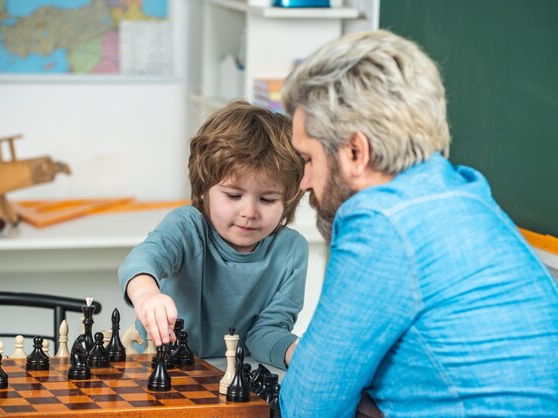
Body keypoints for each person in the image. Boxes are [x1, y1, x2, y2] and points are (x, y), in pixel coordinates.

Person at [279, 30, 558, 417]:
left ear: (356, 152)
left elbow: (307, 405)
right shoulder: (465, 193)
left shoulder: (382, 223)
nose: (304, 181)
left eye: (308, 159)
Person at [118, 100, 307, 369]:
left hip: (222, 374)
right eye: (233, 195)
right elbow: (143, 259)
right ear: (204, 189)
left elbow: (267, 332)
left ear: (288, 200)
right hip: (155, 364)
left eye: (267, 199)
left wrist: (294, 351)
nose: (249, 211)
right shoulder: (186, 226)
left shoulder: (291, 251)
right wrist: (147, 295)